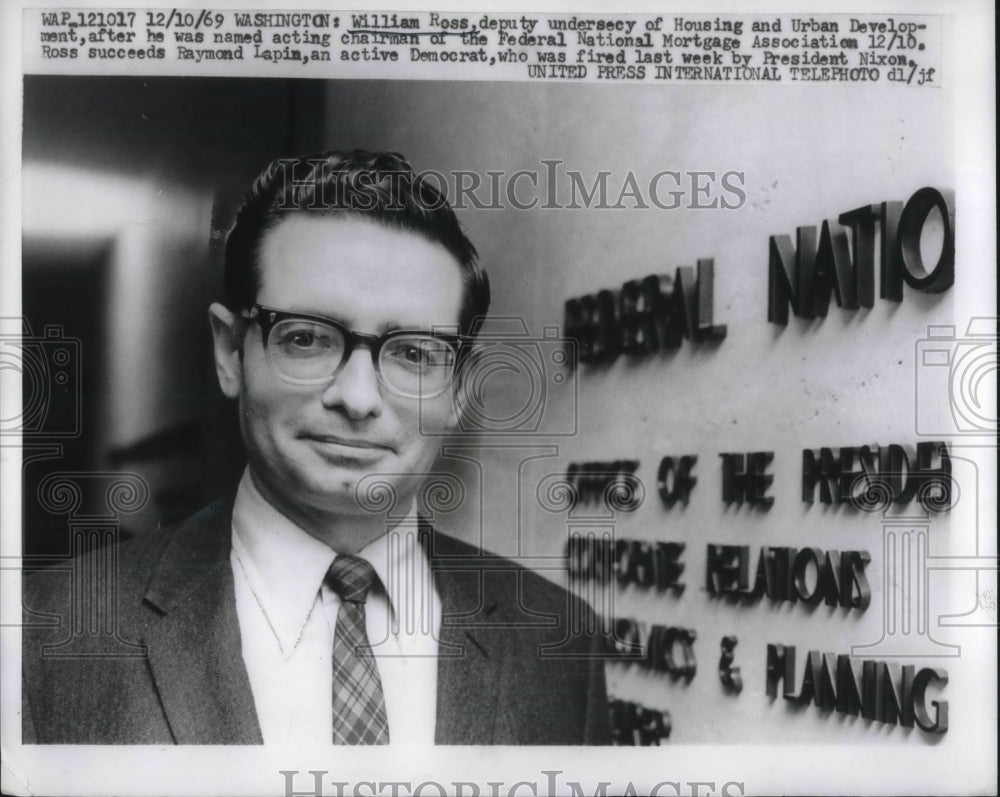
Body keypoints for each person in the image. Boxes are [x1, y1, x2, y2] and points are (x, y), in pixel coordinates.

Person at [22, 150, 611, 745]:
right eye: (306, 338)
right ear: (231, 352)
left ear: (460, 385)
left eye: (413, 353)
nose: (357, 398)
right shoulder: (42, 632)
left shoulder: (559, 641)